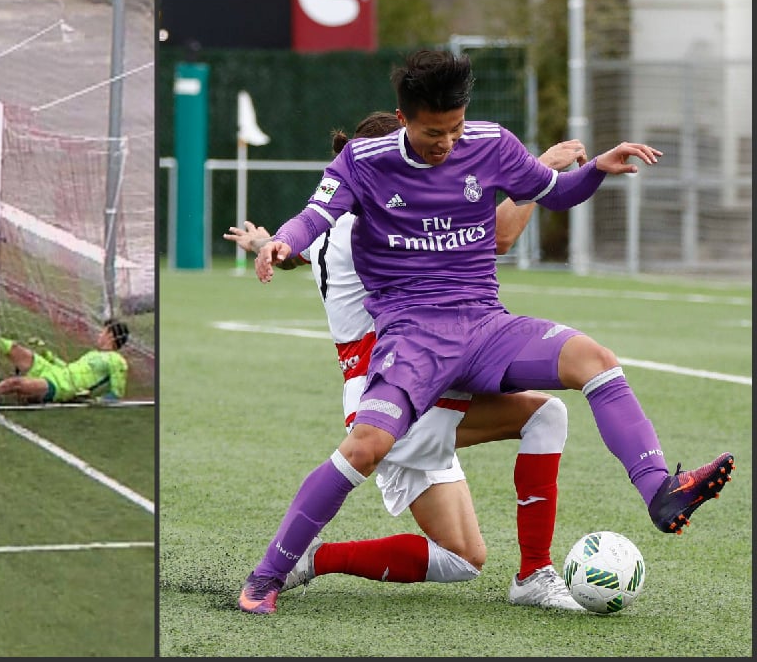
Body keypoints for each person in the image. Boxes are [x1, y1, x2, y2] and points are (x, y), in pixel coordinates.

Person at [240, 49, 734, 615]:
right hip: (413, 338)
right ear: (403, 120)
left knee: (592, 361)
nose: (447, 142)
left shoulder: (490, 143)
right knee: (369, 446)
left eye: (455, 128)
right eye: (433, 132)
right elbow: (315, 216)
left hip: (484, 323)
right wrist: (284, 240)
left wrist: (595, 168)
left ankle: (656, 491)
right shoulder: (362, 160)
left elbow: (554, 191)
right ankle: (267, 575)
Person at [225, 112, 587, 610]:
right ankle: (535, 573)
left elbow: (295, 254)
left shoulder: (342, 220)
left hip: (416, 383)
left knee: (463, 558)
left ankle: (312, 558)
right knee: (546, 414)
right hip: (399, 388)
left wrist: (263, 243)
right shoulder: (379, 225)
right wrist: (537, 173)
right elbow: (498, 238)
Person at [0, 298, 129, 407]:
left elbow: (116, 393)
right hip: (55, 372)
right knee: (12, 348)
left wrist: (95, 400)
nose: (100, 334)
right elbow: (70, 369)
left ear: (112, 336)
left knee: (14, 384)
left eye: (104, 331)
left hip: (61, 388)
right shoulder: (94, 354)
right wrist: (51, 357)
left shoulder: (117, 361)